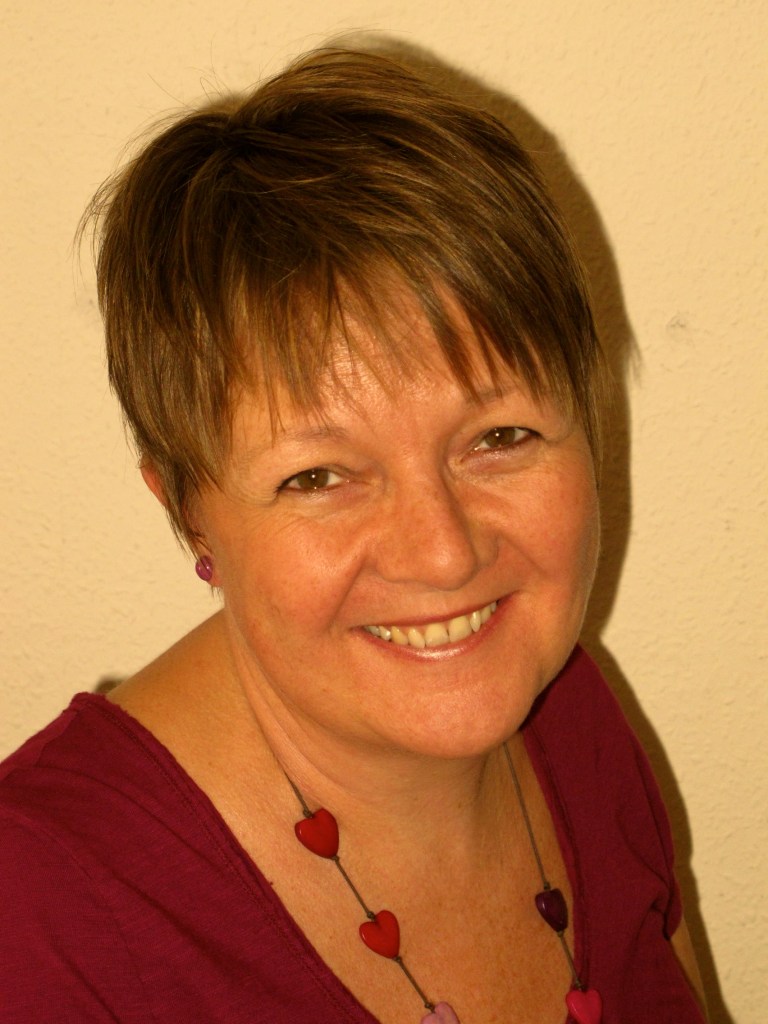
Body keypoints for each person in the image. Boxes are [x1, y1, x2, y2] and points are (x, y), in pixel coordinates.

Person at [0, 47, 707, 1023]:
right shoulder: (38, 917)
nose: (444, 554)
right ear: (186, 507)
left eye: (500, 437)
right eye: (318, 476)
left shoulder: (565, 706)